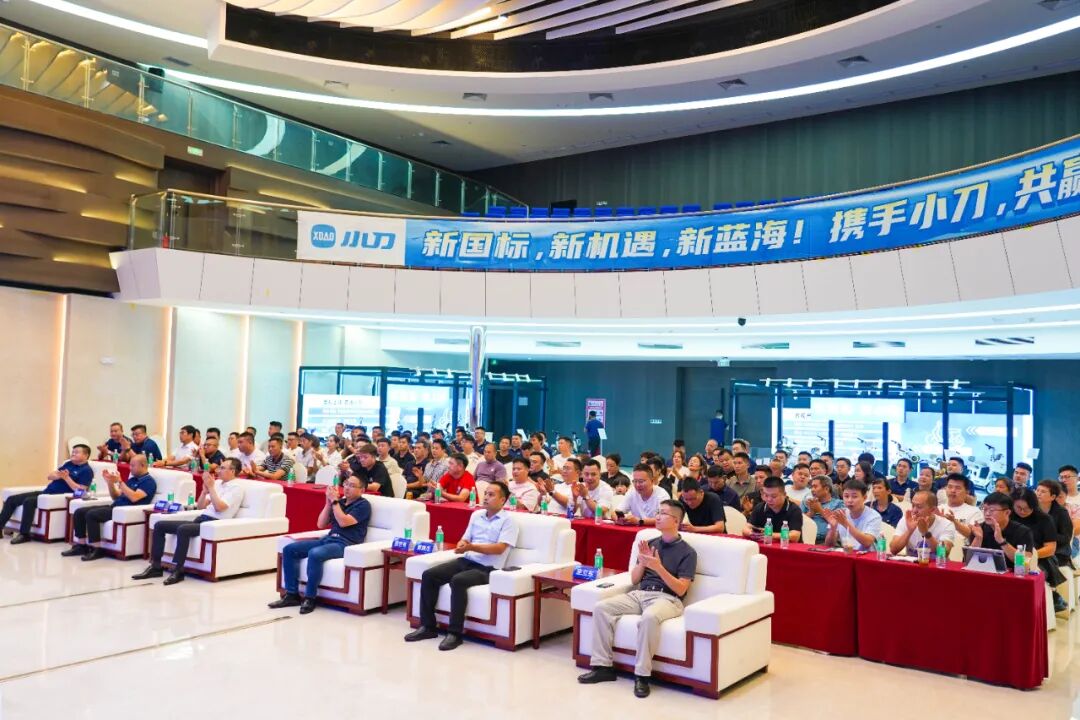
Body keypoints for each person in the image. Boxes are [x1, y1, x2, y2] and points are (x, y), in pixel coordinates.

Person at [578, 500, 697, 698]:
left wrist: (658, 567)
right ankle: (602, 667)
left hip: (668, 598)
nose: (657, 516)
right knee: (602, 607)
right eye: (658, 512)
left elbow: (681, 589)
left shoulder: (688, 552)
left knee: (649, 617)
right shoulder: (649, 544)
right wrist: (643, 562)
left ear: (676, 520)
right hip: (640, 593)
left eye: (663, 513)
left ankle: (642, 675)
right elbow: (634, 579)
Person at [406, 481, 518, 651]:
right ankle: (427, 626)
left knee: (458, 581)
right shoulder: (477, 515)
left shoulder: (508, 521)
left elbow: (500, 548)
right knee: (429, 575)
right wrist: (462, 544)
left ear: (503, 500)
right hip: (466, 559)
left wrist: (471, 547)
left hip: (488, 568)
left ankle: (455, 633)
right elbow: (465, 538)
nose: (486, 497)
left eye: (491, 495)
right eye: (485, 493)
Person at [133, 458, 246, 584]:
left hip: (214, 523)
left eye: (223, 468)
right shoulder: (218, 484)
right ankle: (156, 566)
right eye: (220, 467)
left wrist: (211, 488)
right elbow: (201, 507)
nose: (219, 470)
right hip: (202, 519)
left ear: (232, 471)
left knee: (183, 529)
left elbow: (219, 507)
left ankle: (178, 570)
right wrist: (204, 492)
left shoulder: (236, 488)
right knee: (160, 525)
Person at [270, 475, 371, 614]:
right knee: (289, 549)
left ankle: (310, 598)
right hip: (328, 539)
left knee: (315, 554)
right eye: (346, 484)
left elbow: (343, 522)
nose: (347, 488)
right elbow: (321, 524)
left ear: (362, 490)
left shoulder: (363, 505)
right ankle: (291, 594)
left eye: (352, 486)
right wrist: (328, 503)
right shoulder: (340, 503)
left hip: (346, 543)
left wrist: (334, 501)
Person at [63, 454, 156, 561]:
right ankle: (81, 545)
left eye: (133, 466)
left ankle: (97, 549)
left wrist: (120, 482)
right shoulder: (132, 480)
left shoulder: (148, 482)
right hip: (115, 507)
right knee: (79, 512)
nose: (130, 468)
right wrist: (110, 483)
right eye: (130, 465)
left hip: (125, 510)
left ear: (143, 465)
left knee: (92, 515)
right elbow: (115, 496)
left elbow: (134, 498)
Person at [2, 444, 94, 544]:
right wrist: (59, 476)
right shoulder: (68, 464)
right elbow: (50, 476)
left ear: (86, 455)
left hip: (57, 497)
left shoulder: (87, 471)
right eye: (73, 452)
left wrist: (67, 478)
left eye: (77, 452)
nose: (73, 454)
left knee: (29, 501)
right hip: (46, 492)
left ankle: (24, 534)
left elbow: (80, 491)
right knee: (11, 499)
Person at [1013, 488, 1069, 611]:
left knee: (1026, 576)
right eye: (1018, 508)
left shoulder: (1044, 519)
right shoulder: (1009, 516)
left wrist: (1029, 555)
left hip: (1040, 559)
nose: (1022, 511)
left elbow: (1050, 548)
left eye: (1027, 508)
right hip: (1012, 556)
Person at [955, 492, 1034, 569]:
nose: (987, 513)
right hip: (983, 573)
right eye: (985, 509)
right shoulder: (979, 529)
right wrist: (978, 538)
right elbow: (967, 563)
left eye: (992, 510)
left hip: (1012, 575)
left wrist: (1001, 541)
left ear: (1007, 513)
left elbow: (1024, 563)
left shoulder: (1023, 532)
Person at [889, 490, 955, 556]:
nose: (914, 510)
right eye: (913, 505)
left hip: (935, 562)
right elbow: (893, 550)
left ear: (932, 510)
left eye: (919, 507)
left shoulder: (946, 524)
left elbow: (944, 553)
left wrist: (925, 533)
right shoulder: (906, 520)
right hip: (912, 562)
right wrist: (909, 531)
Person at [823, 479, 882, 551]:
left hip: (868, 555)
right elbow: (828, 545)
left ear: (864, 498)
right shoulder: (840, 513)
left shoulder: (874, 516)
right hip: (847, 553)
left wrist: (845, 523)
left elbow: (867, 543)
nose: (849, 500)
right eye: (846, 496)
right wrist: (833, 528)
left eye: (854, 496)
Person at [744, 476, 802, 541]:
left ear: (784, 494)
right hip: (765, 544)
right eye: (766, 495)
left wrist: (770, 535)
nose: (769, 499)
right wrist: (752, 533)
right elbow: (745, 529)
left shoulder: (794, 509)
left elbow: (795, 536)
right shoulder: (760, 507)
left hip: (787, 546)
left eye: (773, 496)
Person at [1036, 480, 1073, 572]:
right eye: (1037, 490)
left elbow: (1066, 538)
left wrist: (1047, 536)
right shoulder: (1032, 509)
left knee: (1040, 564)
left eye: (1043, 492)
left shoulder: (1061, 512)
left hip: (1058, 551)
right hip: (1037, 548)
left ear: (1052, 497)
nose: (1038, 494)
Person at [802, 474, 843, 544]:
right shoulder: (806, 502)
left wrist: (820, 509)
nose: (812, 490)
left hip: (827, 542)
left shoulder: (839, 504)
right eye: (811, 487)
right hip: (805, 540)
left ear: (826, 489)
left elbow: (837, 525)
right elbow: (798, 522)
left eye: (815, 487)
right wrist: (811, 512)